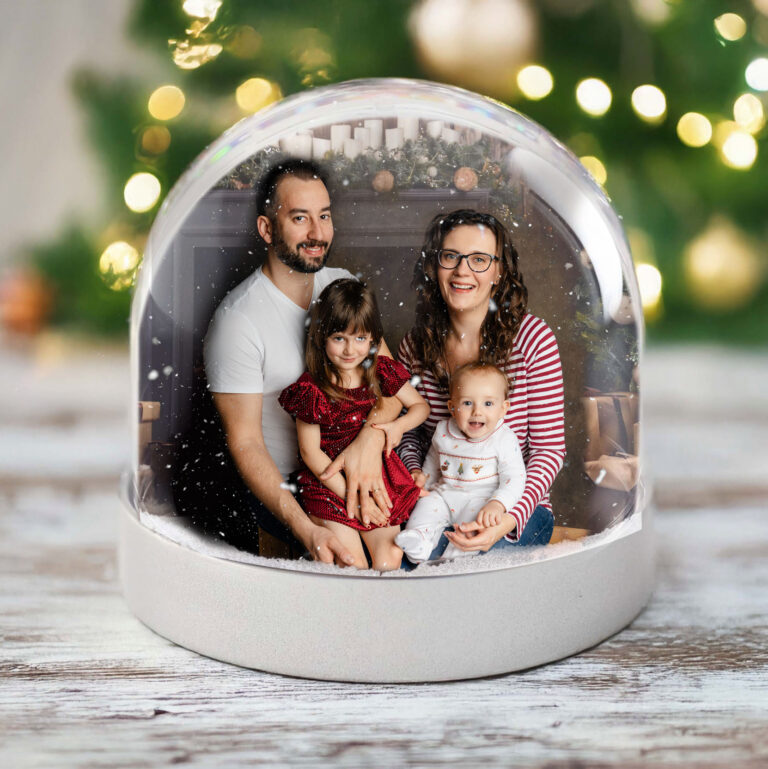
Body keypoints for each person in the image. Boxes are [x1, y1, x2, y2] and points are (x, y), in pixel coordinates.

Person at [204, 158, 402, 565]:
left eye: (324, 216)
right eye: (300, 218)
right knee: (349, 565)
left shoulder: (342, 285)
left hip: (363, 467)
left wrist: (371, 439)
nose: (317, 233)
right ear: (266, 228)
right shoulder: (237, 321)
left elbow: (391, 386)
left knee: (410, 549)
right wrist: (305, 527)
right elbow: (245, 443)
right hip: (292, 490)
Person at [398, 209, 565, 555]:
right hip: (442, 503)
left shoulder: (533, 339)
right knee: (401, 562)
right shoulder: (414, 346)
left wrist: (506, 519)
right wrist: (417, 477)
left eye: (479, 259)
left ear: (499, 272)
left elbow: (549, 451)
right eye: (450, 257)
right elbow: (410, 435)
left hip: (516, 509)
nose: (462, 271)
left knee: (468, 572)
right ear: (434, 266)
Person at [279, 279, 429, 571]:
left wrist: (399, 426)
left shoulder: (381, 371)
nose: (350, 350)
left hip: (376, 479)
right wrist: (353, 498)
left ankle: (385, 615)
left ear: (373, 339)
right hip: (330, 484)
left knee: (389, 559)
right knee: (353, 566)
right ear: (321, 337)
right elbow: (311, 454)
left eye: (360, 339)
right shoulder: (312, 389)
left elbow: (420, 406)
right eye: (339, 338)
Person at [396, 362, 525, 564]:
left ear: (503, 408)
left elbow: (515, 478)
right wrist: (425, 485)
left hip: (481, 499)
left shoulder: (504, 439)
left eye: (488, 404)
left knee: (475, 527)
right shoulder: (443, 430)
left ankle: (455, 562)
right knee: (426, 507)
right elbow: (433, 460)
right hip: (445, 494)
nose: (477, 412)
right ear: (452, 407)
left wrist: (498, 503)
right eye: (467, 403)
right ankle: (419, 541)